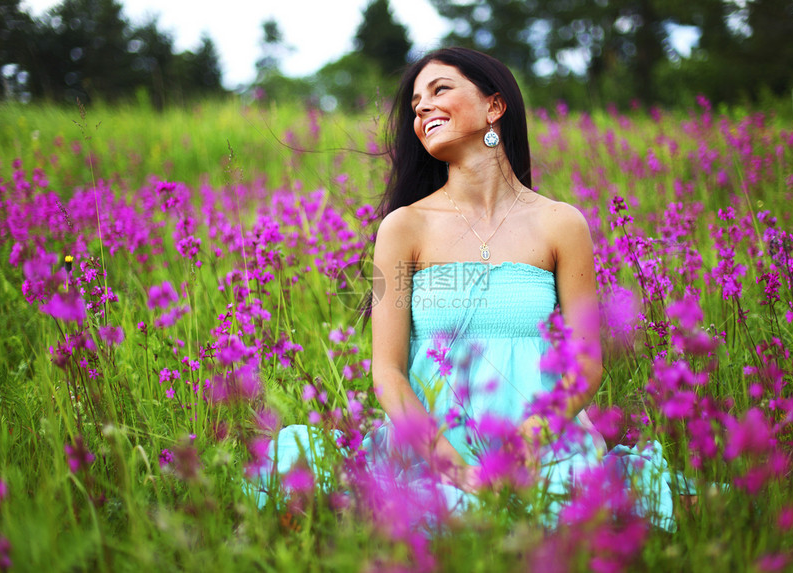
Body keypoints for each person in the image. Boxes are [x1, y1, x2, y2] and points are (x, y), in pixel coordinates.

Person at [252, 47, 678, 529]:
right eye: (416, 105)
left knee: (560, 518)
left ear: (494, 106)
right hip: (434, 446)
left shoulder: (562, 224)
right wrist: (455, 468)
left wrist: (519, 453)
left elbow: (585, 364)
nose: (422, 108)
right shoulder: (401, 228)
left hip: (540, 442)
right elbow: (387, 374)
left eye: (440, 90)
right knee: (442, 518)